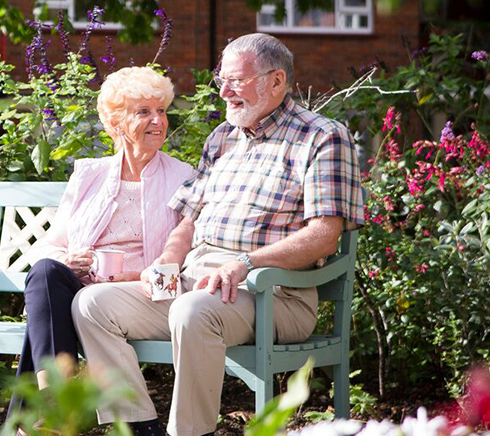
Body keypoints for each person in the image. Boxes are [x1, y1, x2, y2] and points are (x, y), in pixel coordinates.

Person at [72, 33, 366, 436]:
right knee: (93, 304)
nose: (224, 91)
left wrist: (247, 264)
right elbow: (188, 221)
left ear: (276, 81)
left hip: (274, 292)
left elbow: (323, 236)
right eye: (221, 79)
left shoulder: (322, 138)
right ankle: (141, 427)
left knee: (192, 311)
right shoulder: (222, 138)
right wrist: (166, 262)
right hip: (197, 282)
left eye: (236, 81)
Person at [6, 66, 196, 435]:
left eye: (162, 111)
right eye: (144, 112)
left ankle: (47, 413)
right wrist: (69, 260)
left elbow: (183, 258)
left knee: (47, 317)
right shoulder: (89, 174)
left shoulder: (183, 177)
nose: (158, 121)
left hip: (138, 295)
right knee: (46, 270)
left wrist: (132, 274)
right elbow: (50, 245)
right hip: (84, 286)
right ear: (116, 121)